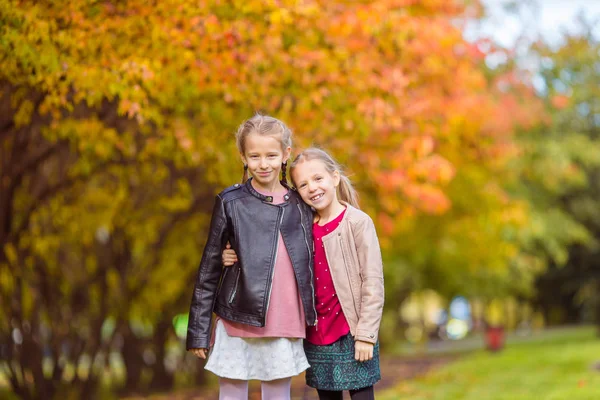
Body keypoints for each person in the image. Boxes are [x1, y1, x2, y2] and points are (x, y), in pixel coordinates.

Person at [224, 147, 385, 400]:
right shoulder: (301, 225)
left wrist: (366, 335)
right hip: (317, 333)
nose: (312, 188)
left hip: (353, 330)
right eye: (303, 184)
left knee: (362, 395)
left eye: (318, 179)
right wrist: (230, 255)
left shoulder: (357, 222)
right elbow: (269, 254)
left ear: (334, 178)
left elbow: (373, 282)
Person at [186, 114, 317, 400]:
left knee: (277, 395)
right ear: (243, 157)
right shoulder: (230, 202)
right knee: (231, 394)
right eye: (254, 156)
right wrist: (198, 331)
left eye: (271, 155)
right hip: (237, 317)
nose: (263, 163)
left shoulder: (301, 204)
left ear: (285, 155)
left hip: (284, 320)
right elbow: (208, 269)